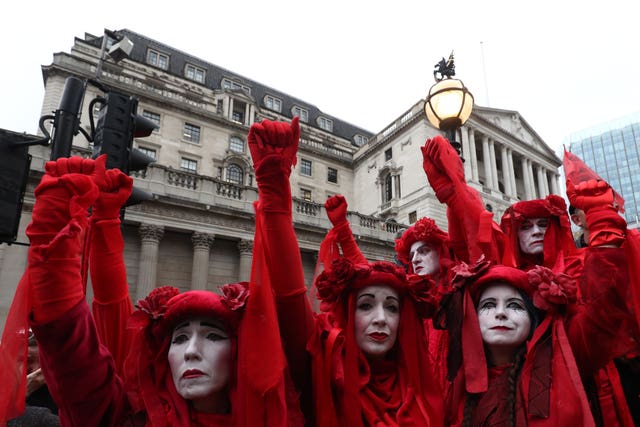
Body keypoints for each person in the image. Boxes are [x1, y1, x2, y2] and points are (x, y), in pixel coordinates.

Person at [0, 155, 301, 426]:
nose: (192, 352)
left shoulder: (281, 415)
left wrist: (275, 195)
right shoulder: (129, 419)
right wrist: (57, 240)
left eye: (213, 336)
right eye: (179, 338)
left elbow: (296, 320)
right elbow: (74, 355)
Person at [249, 117, 444, 426]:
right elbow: (290, 294)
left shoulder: (421, 383)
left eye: (391, 307)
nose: (380, 318)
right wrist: (274, 194)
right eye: (365, 305)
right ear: (347, 312)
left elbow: (366, 271)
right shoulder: (323, 368)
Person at [438, 257, 635, 426]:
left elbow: (606, 306)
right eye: (489, 305)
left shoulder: (562, 366)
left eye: (514, 305)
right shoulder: (454, 384)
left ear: (533, 321)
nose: (500, 313)